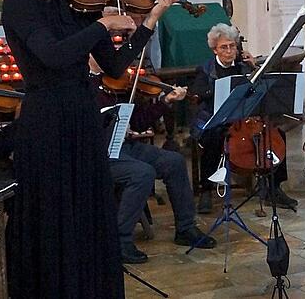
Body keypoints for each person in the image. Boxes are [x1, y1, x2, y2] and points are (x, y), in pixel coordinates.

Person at [2, 0, 177, 297]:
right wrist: (101, 24)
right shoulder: (22, 0)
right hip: (47, 121)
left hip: (82, 118)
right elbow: (51, 55)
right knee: (55, 217)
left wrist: (149, 21)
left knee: (87, 215)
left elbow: (114, 66)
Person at [89, 58, 216, 264]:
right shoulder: (82, 85)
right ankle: (120, 240)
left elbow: (139, 123)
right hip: (99, 152)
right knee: (142, 173)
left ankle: (185, 228)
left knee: (174, 161)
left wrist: (166, 101)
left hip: (125, 145)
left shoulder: (119, 84)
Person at [191, 23, 298, 214]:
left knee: (276, 134)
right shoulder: (206, 69)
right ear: (215, 48)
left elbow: (260, 89)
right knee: (213, 137)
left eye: (232, 46)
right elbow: (198, 93)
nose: (229, 51)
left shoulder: (242, 66)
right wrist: (217, 90)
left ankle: (274, 187)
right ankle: (206, 189)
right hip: (216, 118)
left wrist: (254, 67)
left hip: (244, 118)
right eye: (224, 47)